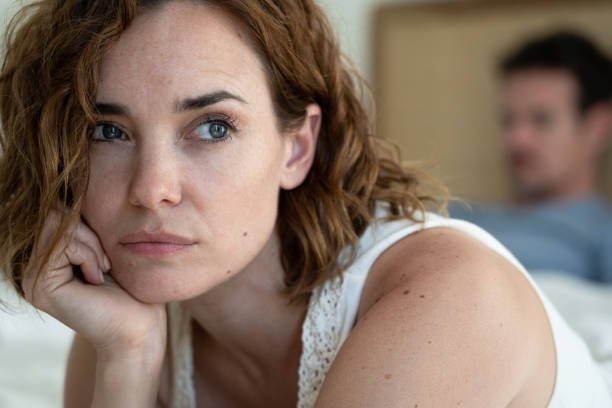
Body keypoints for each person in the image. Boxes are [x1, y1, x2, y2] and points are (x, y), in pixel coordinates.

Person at [0, 1, 609, 407]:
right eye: (108, 131)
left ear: (297, 147)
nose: (151, 188)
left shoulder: (448, 296)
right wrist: (128, 355)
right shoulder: (122, 321)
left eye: (212, 127)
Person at [451, 30, 612, 283]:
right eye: (508, 120)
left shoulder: (601, 234)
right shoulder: (457, 214)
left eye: (541, 120)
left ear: (598, 127)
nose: (516, 140)